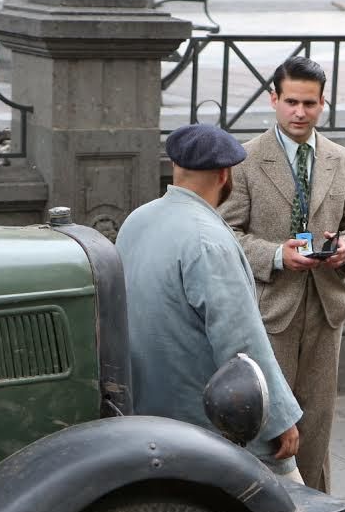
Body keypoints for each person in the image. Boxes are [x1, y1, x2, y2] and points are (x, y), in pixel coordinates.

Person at [117, 123, 303, 480]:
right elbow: (241, 343)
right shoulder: (208, 240)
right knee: (290, 504)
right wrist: (278, 420)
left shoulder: (137, 220)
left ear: (176, 167)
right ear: (224, 174)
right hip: (204, 427)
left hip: (144, 417)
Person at [220, 55, 345, 494]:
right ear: (274, 100)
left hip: (326, 308)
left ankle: (316, 511)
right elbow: (226, 233)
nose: (300, 112)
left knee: (317, 426)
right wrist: (276, 255)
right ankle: (264, 511)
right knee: (270, 425)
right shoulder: (246, 159)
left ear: (323, 103)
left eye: (309, 103)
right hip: (270, 311)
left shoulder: (341, 159)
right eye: (291, 102)